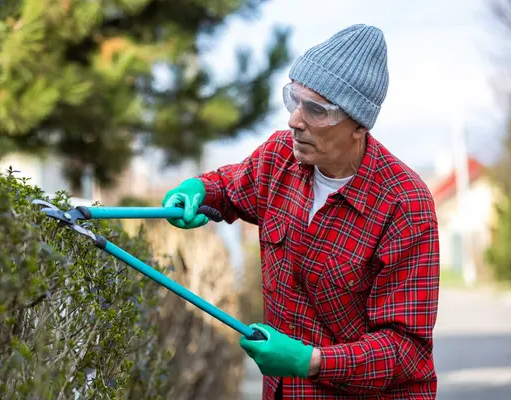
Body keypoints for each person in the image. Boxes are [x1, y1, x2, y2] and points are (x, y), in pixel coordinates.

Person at [162, 24, 440, 400]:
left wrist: (311, 360)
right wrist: (197, 191)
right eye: (294, 99)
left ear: (358, 124)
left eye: (316, 110)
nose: (295, 119)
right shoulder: (280, 158)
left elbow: (406, 351)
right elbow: (228, 189)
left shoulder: (405, 205)